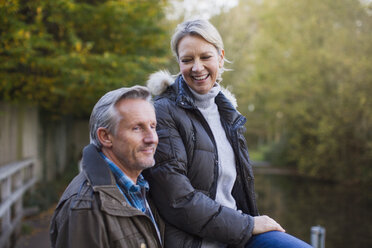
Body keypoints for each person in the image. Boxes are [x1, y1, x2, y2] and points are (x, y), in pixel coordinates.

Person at [144, 19, 312, 248]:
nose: (197, 67)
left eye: (205, 57)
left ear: (221, 57)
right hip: (196, 241)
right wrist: (248, 225)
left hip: (237, 235)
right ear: (179, 63)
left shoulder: (227, 112)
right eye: (187, 60)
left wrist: (248, 225)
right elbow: (177, 201)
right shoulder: (164, 112)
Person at [50, 86, 163, 248]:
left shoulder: (144, 186)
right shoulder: (85, 207)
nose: (152, 138)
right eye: (137, 128)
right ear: (105, 137)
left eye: (153, 126)